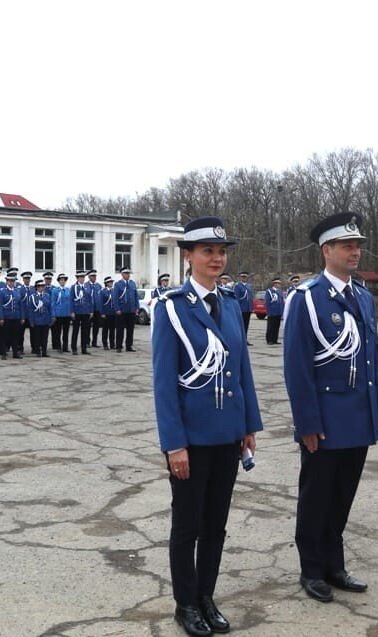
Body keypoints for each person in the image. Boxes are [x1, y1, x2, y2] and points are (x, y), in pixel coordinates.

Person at [152, 216, 263, 637]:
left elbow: (242, 370)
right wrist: (174, 444)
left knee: (216, 524)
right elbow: (164, 384)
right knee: (188, 526)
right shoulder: (172, 308)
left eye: (220, 252)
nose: (216, 259)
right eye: (207, 252)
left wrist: (248, 425)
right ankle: (185, 603)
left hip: (227, 434)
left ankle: (206, 596)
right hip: (192, 438)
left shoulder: (231, 304)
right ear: (188, 256)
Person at [283, 212, 378, 603]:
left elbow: (371, 360)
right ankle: (312, 569)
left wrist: (375, 410)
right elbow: (297, 367)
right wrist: (306, 422)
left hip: (357, 416)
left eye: (357, 246)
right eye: (347, 246)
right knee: (317, 497)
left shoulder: (363, 297)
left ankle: (334, 565)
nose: (355, 252)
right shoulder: (307, 298)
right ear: (327, 251)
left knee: (342, 496)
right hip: (325, 419)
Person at [0, 271, 24, 359]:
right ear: (7, 281)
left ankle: (15, 353)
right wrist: (1, 318)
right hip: (6, 317)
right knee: (5, 336)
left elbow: (20, 305)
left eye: (13, 281)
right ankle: (3, 353)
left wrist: (22, 317)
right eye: (10, 281)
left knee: (15, 336)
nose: (12, 283)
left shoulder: (17, 291)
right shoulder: (2, 291)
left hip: (16, 317)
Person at [112, 267, 139, 352]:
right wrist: (117, 309)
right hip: (122, 310)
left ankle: (129, 346)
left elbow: (136, 296)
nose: (128, 275)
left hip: (131, 310)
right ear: (122, 274)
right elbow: (115, 298)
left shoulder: (132, 283)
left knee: (130, 330)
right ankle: (119, 346)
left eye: (128, 273)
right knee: (120, 330)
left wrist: (136, 307)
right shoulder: (118, 284)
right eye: (126, 273)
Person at [26, 280, 53, 356]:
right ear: (36, 287)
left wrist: (51, 318)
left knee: (45, 337)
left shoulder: (47, 296)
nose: (41, 288)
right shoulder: (32, 297)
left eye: (42, 286)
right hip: (37, 320)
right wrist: (31, 321)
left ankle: (44, 352)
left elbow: (50, 308)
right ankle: (37, 351)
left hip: (45, 320)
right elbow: (30, 310)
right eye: (39, 286)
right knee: (37, 337)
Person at [70, 270, 93, 355]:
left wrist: (91, 311)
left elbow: (90, 300)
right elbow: (71, 300)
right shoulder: (74, 287)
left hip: (85, 312)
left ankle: (84, 348)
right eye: (80, 277)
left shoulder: (87, 287)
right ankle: (74, 348)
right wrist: (72, 311)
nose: (82, 279)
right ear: (77, 278)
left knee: (85, 331)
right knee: (75, 331)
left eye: (83, 277)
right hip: (77, 312)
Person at [51, 273, 72, 352]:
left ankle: (65, 347)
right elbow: (53, 303)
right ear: (59, 281)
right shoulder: (55, 290)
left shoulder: (68, 290)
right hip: (59, 314)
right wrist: (53, 314)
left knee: (66, 332)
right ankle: (58, 347)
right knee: (58, 332)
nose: (63, 281)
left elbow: (70, 302)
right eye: (61, 280)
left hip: (67, 314)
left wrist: (71, 312)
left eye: (64, 280)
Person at [233, 271, 253, 342]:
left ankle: (245, 339)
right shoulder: (238, 286)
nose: (244, 278)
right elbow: (237, 298)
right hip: (241, 308)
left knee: (246, 325)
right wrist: (237, 308)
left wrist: (251, 308)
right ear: (240, 277)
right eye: (243, 277)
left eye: (245, 277)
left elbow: (250, 297)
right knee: (240, 325)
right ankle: (240, 340)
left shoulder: (249, 286)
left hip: (248, 308)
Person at [264, 278, 284, 345]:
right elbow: (267, 302)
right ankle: (269, 340)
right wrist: (268, 311)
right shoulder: (269, 291)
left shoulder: (279, 291)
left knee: (276, 326)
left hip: (278, 311)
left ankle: (275, 339)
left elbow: (281, 302)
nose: (279, 285)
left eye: (279, 283)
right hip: (272, 312)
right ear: (274, 284)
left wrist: (282, 311)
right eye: (278, 283)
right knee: (270, 326)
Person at [100, 276, 116, 350]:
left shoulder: (114, 291)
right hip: (106, 312)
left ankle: (112, 344)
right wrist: (102, 313)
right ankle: (105, 344)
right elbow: (101, 303)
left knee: (112, 330)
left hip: (113, 313)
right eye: (109, 282)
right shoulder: (103, 291)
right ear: (106, 283)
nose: (111, 283)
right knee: (105, 330)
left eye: (111, 282)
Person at [87, 269, 102, 347]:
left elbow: (100, 298)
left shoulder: (98, 286)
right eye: (92, 276)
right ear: (89, 277)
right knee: (87, 326)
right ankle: (87, 342)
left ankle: (94, 342)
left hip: (97, 309)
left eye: (95, 276)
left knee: (96, 327)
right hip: (89, 310)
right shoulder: (86, 285)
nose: (94, 277)